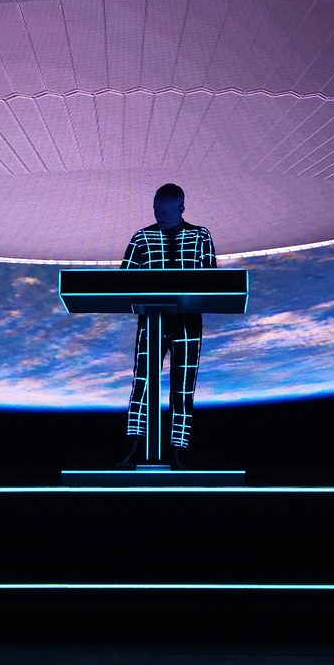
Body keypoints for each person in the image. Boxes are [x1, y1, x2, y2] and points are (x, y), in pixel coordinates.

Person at [118, 182, 216, 468]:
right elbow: (121, 282)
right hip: (151, 322)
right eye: (156, 210)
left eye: (164, 211)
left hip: (188, 323)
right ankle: (134, 450)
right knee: (142, 384)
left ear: (181, 209)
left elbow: (212, 280)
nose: (158, 215)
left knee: (183, 389)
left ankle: (178, 454)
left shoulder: (200, 236)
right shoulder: (142, 239)